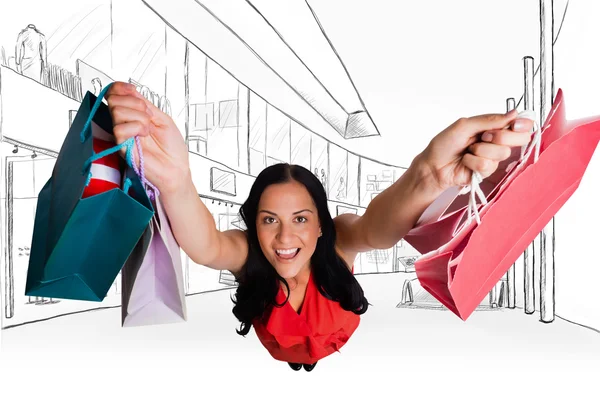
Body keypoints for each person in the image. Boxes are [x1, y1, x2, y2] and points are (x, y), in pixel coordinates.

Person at [105, 82, 534, 371]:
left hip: (334, 339)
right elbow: (205, 245)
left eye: (301, 219)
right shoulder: (248, 254)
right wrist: (178, 182)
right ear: (253, 224)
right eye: (269, 219)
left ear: (321, 225)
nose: (285, 238)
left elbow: (377, 229)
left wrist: (429, 175)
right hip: (279, 351)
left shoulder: (339, 240)